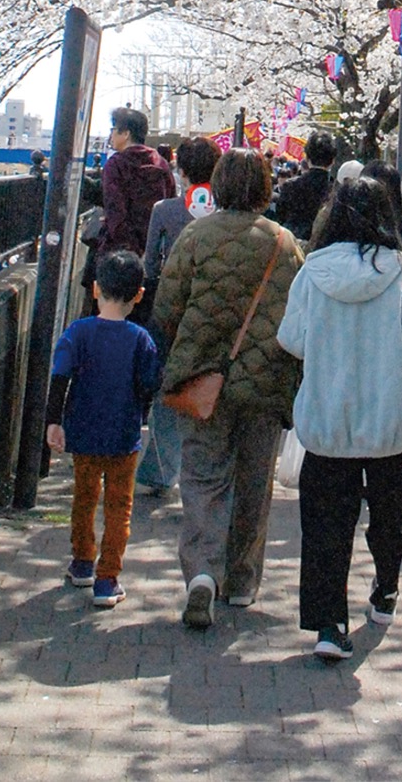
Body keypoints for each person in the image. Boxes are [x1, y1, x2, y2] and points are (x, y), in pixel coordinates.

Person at [277, 173, 402, 663]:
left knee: (326, 522)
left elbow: (292, 339)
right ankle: (385, 592)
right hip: (388, 419)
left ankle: (329, 623)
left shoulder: (314, 271)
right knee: (388, 513)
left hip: (327, 419)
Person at [154, 147, 302, 629]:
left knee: (202, 477)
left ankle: (201, 572)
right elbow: (299, 317)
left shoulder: (195, 236)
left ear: (217, 184)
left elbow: (168, 307)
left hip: (203, 380)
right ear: (265, 187)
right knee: (254, 482)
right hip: (265, 382)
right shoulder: (284, 245)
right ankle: (241, 581)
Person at [45, 248, 162, 609]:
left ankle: (82, 560)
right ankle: (107, 578)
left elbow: (60, 376)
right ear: (139, 294)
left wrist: (54, 420)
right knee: (118, 507)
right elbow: (149, 384)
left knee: (83, 498)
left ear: (95, 289)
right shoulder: (140, 339)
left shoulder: (78, 332)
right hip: (124, 436)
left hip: (83, 432)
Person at [136, 135, 221, 496]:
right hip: (215, 309)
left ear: (181, 171)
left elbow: (150, 265)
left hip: (170, 309)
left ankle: (160, 471)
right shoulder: (227, 213)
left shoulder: (166, 210)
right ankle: (205, 469)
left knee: (168, 388)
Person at [99, 106, 175, 258]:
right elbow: (170, 202)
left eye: (113, 129)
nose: (111, 135)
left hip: (121, 253)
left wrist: (130, 249)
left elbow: (115, 210)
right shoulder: (160, 163)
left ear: (126, 133)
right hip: (154, 246)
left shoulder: (116, 164)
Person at [273, 129, 337, 242]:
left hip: (293, 243)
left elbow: (281, 216)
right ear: (333, 161)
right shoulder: (335, 190)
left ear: (307, 158)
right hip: (323, 246)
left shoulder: (290, 186)